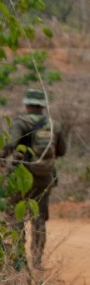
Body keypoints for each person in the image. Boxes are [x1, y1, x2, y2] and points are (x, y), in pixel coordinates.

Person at [3, 88, 67, 269]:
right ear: (43, 107)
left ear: (26, 105)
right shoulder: (54, 125)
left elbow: (10, 145)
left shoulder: (20, 123)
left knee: (16, 218)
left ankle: (17, 260)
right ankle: (37, 262)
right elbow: (62, 151)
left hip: (20, 179)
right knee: (38, 219)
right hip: (44, 178)